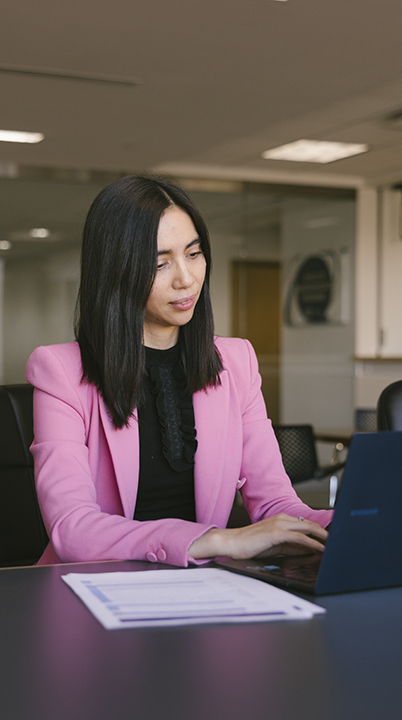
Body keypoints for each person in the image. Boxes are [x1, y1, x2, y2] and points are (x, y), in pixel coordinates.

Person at [27, 175, 332, 567]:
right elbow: (73, 528)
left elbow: (276, 504)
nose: (186, 278)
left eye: (193, 253)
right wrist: (214, 541)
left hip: (199, 591)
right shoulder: (60, 372)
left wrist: (355, 523)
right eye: (160, 263)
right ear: (117, 271)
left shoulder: (236, 362)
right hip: (94, 592)